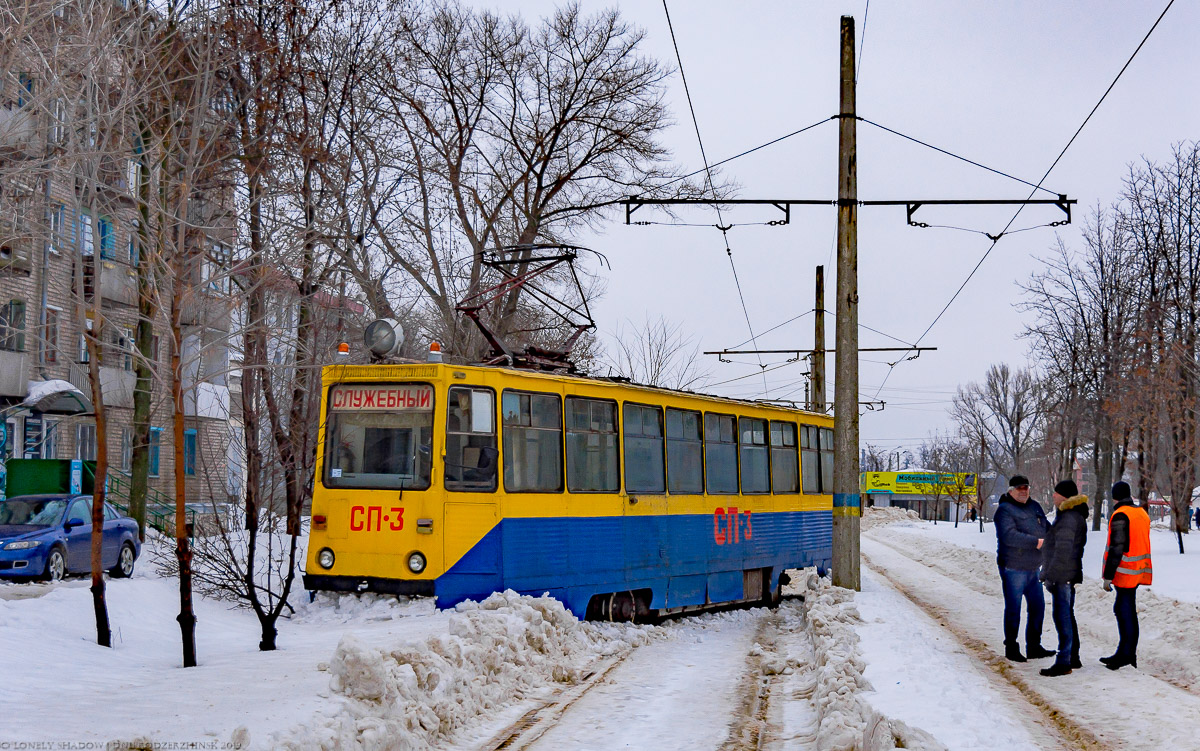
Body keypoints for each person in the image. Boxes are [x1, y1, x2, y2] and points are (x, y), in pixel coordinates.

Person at [994, 474, 1054, 662]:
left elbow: (1046, 526)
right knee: (1014, 608)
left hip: (1033, 567)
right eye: (1019, 488)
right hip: (1013, 567)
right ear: (1011, 490)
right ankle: (1011, 647)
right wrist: (1036, 543)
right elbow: (1008, 536)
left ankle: (1034, 646)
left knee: (1037, 608)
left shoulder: (1034, 506)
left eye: (1026, 487)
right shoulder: (1004, 510)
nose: (1023, 491)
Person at [1038, 480, 1089, 676]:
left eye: (1056, 493)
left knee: (1062, 617)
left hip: (1063, 575)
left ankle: (1064, 661)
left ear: (1064, 496)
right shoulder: (1070, 515)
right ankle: (1072, 657)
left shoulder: (1068, 518)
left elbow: (1063, 551)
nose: (1053, 496)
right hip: (1067, 573)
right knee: (1067, 615)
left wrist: (1051, 575)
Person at [1101, 481, 1152, 670]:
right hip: (1139, 569)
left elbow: (1117, 547)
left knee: (1125, 612)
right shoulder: (1140, 513)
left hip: (1125, 572)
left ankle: (1126, 655)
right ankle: (1124, 652)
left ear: (1114, 497)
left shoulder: (1121, 514)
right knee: (1125, 610)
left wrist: (1108, 575)